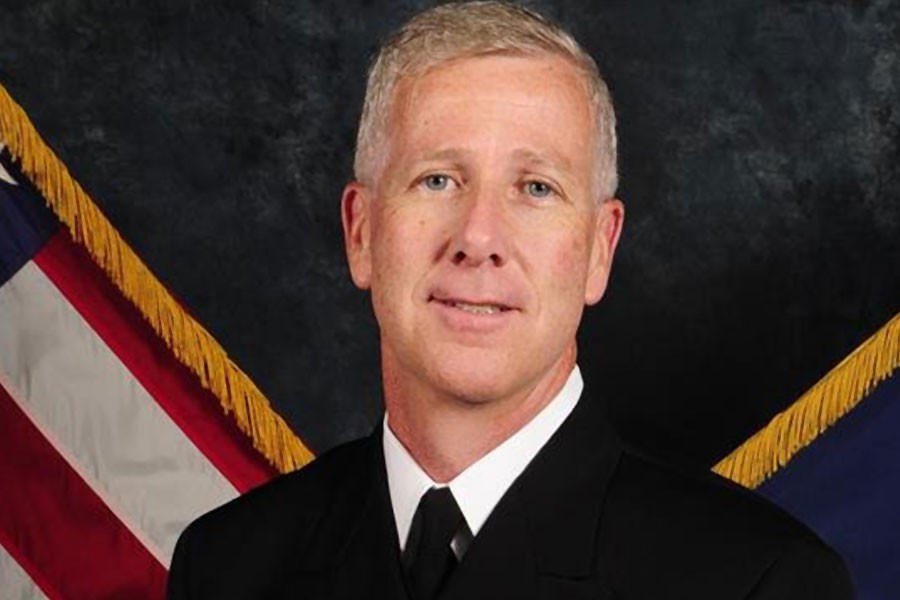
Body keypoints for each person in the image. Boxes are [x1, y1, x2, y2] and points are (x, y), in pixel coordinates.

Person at [167, 2, 855, 599]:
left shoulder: (758, 582)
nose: (478, 238)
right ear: (361, 233)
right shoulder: (228, 567)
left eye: (536, 188)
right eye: (438, 180)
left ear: (599, 251)